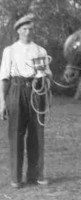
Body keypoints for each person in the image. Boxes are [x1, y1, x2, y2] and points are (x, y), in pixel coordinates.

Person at [0, 13, 52, 188]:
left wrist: (44, 76)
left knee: (37, 134)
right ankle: (16, 178)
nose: (28, 32)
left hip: (37, 92)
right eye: (24, 29)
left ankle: (36, 175)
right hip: (16, 90)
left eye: (30, 29)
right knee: (16, 134)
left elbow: (48, 73)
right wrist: (2, 102)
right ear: (18, 31)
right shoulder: (10, 50)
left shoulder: (40, 50)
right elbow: (4, 78)